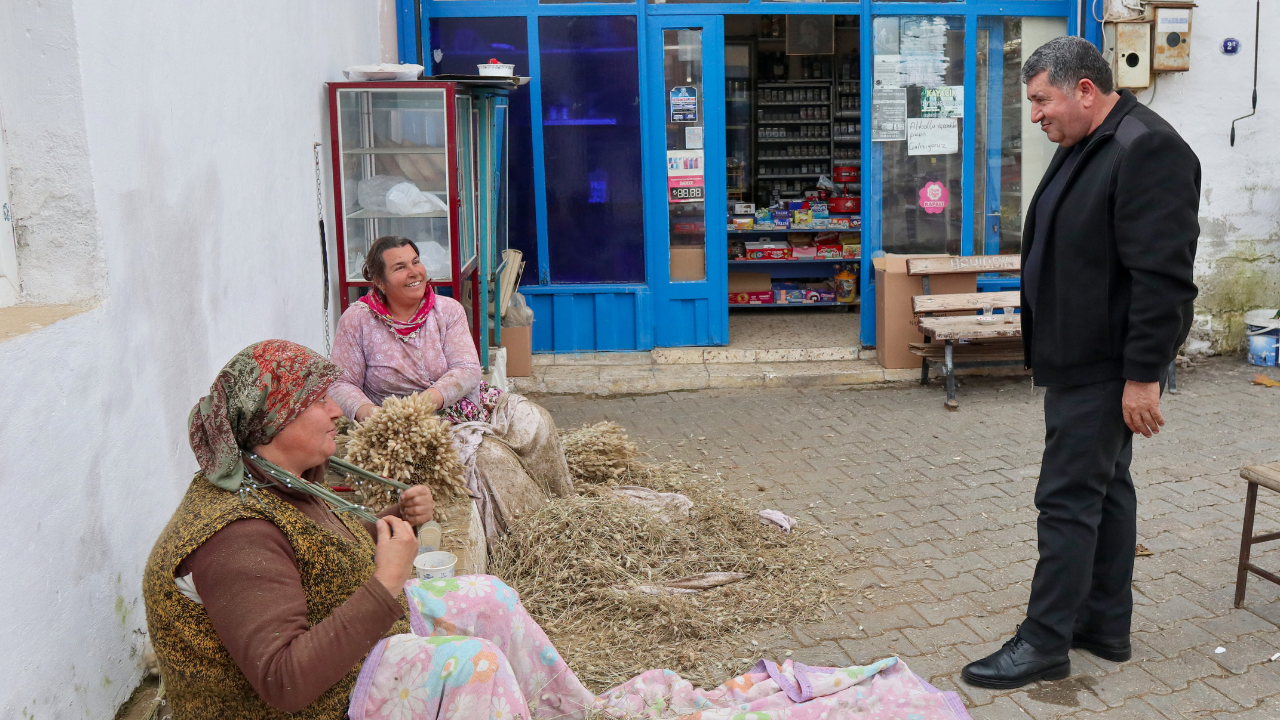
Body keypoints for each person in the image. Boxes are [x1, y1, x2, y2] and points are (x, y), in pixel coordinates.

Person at [144, 341, 970, 720]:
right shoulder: (234, 536)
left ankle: (570, 711)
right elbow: (283, 682)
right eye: (318, 402)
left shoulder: (281, 478)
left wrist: (394, 525)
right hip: (298, 706)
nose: (335, 409)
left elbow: (327, 561)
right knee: (466, 663)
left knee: (487, 597)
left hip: (342, 663)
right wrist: (385, 579)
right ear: (274, 419)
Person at [961, 37, 1199, 689]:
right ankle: (1103, 624)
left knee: (1066, 498)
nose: (1035, 114)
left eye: (1041, 100)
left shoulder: (1146, 147)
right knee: (1107, 489)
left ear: (1085, 91)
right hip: (1077, 356)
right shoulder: (1087, 143)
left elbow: (1163, 279)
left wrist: (1144, 376)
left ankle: (1044, 643)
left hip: (1103, 364)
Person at [330, 235, 573, 537]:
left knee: (537, 421)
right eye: (400, 267)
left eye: (416, 262)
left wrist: (427, 400)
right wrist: (369, 413)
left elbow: (467, 369)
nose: (414, 272)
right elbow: (341, 383)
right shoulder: (357, 321)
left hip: (470, 403)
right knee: (491, 459)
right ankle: (525, 536)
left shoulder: (447, 310)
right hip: (416, 429)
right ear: (380, 282)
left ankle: (562, 508)